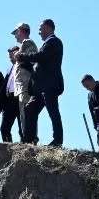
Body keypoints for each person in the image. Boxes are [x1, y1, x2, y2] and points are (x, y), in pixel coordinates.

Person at [18, 18, 65, 147]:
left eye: (41, 29)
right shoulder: (48, 43)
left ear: (48, 28)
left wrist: (23, 56)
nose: (39, 33)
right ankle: (29, 140)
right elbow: (39, 63)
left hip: (49, 85)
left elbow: (41, 56)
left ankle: (58, 140)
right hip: (40, 87)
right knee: (30, 109)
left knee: (53, 112)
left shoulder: (54, 42)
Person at [9, 23, 37, 142]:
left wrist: (20, 56)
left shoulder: (28, 43)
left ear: (21, 31)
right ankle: (28, 138)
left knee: (27, 112)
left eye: (16, 32)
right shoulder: (23, 45)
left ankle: (30, 138)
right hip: (22, 85)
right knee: (24, 114)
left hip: (26, 84)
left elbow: (33, 61)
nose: (15, 35)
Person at [0, 47, 20, 142]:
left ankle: (25, 146)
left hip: (19, 98)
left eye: (12, 56)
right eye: (10, 57)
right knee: (4, 128)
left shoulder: (23, 66)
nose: (11, 58)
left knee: (22, 127)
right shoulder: (10, 68)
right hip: (9, 100)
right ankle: (8, 148)